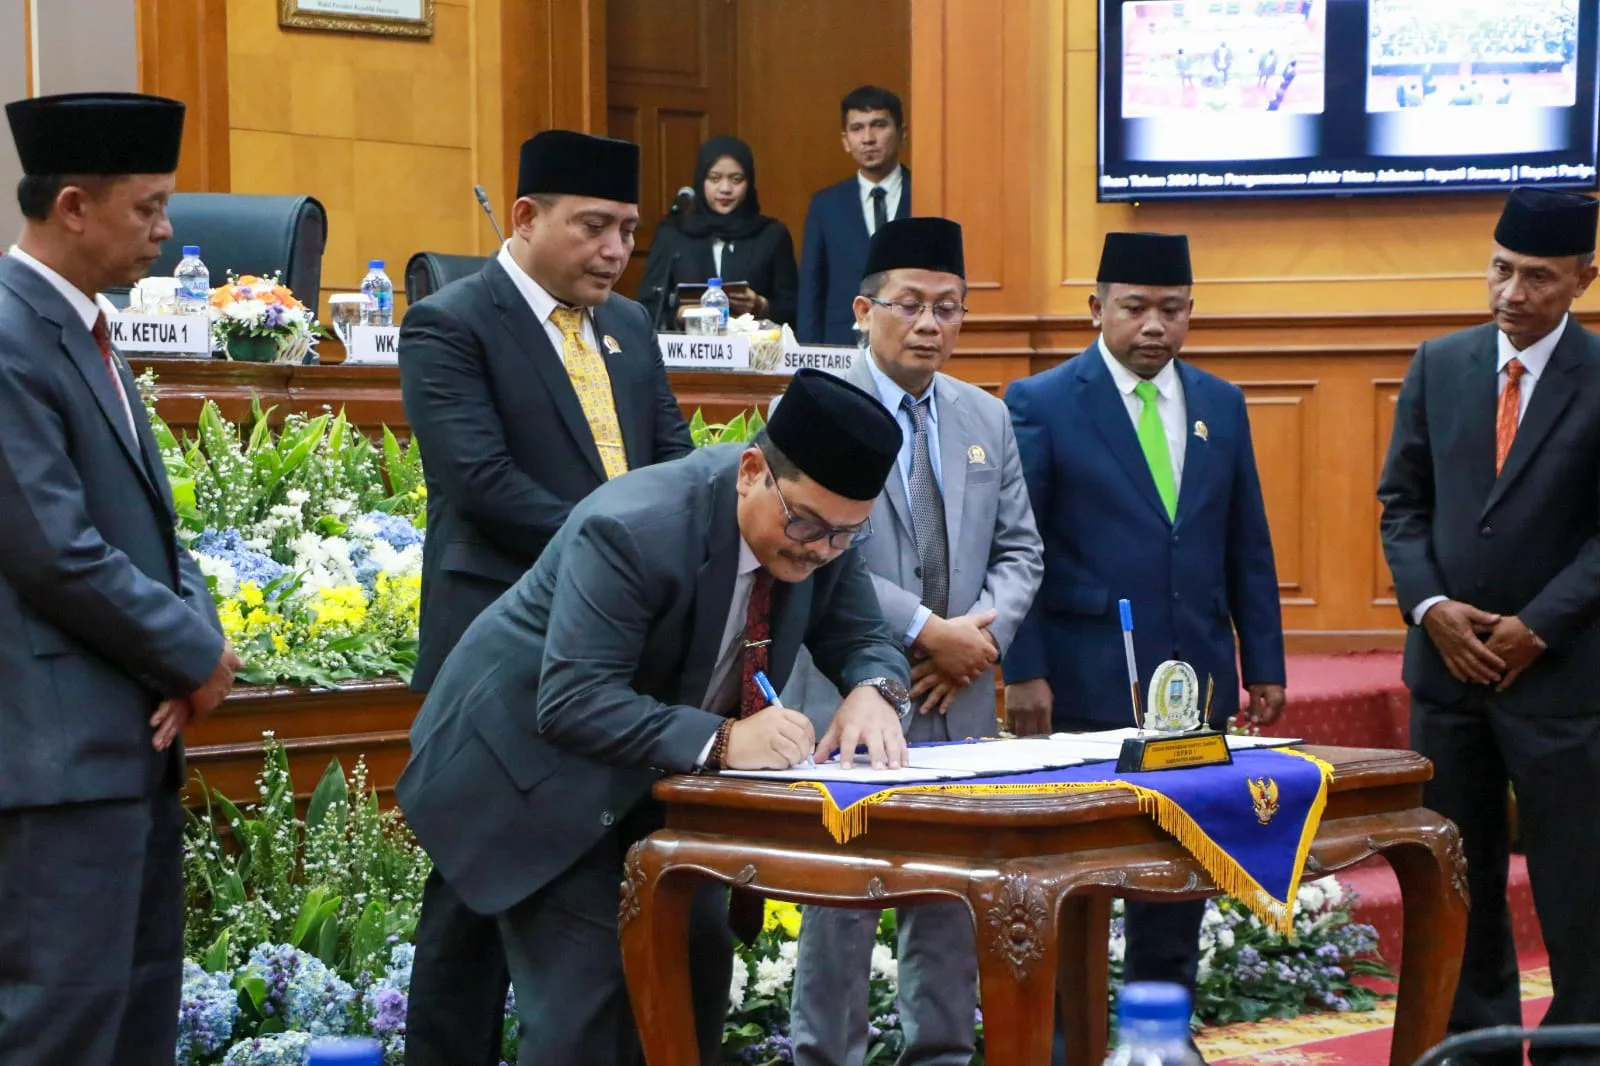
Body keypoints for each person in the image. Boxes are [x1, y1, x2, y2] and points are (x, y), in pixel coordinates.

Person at [396, 368, 915, 1066]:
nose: (819, 550)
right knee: (581, 1013)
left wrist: (875, 690)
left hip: (656, 783)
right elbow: (573, 697)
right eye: (806, 526)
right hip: (525, 773)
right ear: (751, 472)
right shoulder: (634, 526)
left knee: (692, 980)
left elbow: (863, 637)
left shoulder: (822, 529)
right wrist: (725, 739)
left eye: (845, 536)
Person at [396, 128, 694, 1066]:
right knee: (470, 906)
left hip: (612, 663)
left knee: (601, 896)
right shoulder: (451, 324)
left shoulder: (630, 326)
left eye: (629, 231)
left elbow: (675, 465)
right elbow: (482, 483)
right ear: (525, 218)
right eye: (593, 227)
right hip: (494, 661)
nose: (616, 251)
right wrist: (627, 562)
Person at [999, 232, 1286, 1065]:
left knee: (1178, 871)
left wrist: (1263, 663)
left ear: (1192, 311)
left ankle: (1163, 1041)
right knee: (1078, 876)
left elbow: (1246, 542)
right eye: (1135, 308)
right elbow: (1022, 546)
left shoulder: (1220, 403)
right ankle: (1069, 1042)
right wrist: (1025, 669)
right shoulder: (1043, 401)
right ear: (1097, 308)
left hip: (1196, 683)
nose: (1154, 326)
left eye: (1172, 309)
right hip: (1084, 677)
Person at [0, 91, 240, 1064]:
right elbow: (53, 548)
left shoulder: (86, 329)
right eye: (148, 206)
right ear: (73, 206)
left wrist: (196, 644)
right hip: (56, 763)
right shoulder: (8, 335)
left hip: (125, 747)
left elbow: (152, 525)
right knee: (61, 1033)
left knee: (135, 1024)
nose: (166, 229)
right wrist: (193, 657)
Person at [786, 217, 1043, 1066]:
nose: (930, 324)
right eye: (910, 305)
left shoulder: (985, 416)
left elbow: (1021, 550)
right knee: (842, 897)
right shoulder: (817, 405)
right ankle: (826, 1058)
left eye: (948, 307)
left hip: (957, 693)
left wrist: (976, 642)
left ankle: (941, 1055)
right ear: (864, 310)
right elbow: (814, 545)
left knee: (948, 895)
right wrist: (928, 632)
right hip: (847, 697)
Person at [1377, 187, 1600, 1066]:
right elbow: (1402, 505)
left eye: (1538, 277)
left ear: (1583, 279)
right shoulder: (1440, 364)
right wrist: (1432, 610)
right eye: (1501, 269)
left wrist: (1538, 626)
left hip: (1564, 681)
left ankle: (1579, 1049)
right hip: (1448, 678)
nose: (1512, 293)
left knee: (1579, 886)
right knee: (1458, 877)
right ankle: (1474, 1047)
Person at [637, 135, 798, 330]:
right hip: (688, 346)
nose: (725, 189)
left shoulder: (771, 235)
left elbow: (794, 309)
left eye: (736, 179)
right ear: (701, 180)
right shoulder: (673, 234)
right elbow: (648, 308)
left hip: (752, 346)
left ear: (749, 182)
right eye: (715, 178)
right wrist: (681, 315)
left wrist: (761, 306)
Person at [797, 86, 911, 345]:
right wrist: (809, 354)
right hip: (841, 344)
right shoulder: (825, 205)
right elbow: (811, 291)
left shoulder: (927, 196)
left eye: (879, 125)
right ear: (846, 140)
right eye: (857, 128)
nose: (868, 138)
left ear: (902, 133)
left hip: (909, 338)